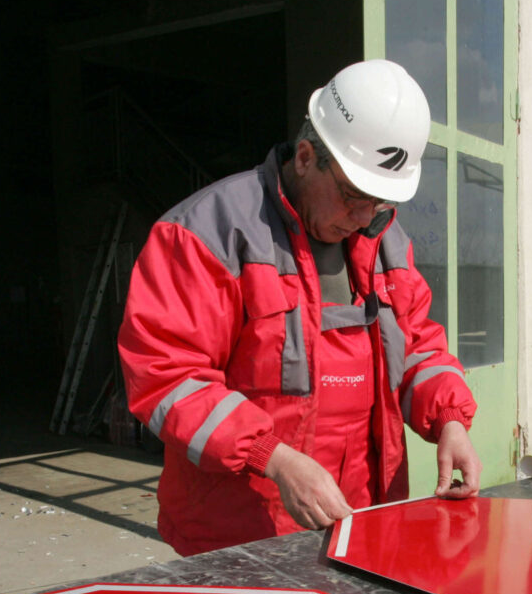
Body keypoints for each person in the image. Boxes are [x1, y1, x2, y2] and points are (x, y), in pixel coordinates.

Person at [117, 59, 481, 556]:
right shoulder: (208, 234)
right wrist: (274, 458)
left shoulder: (386, 241)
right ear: (307, 157)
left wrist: (450, 421)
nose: (362, 218)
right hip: (240, 536)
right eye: (353, 197)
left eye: (378, 203)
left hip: (363, 521)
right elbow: (166, 376)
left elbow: (417, 348)